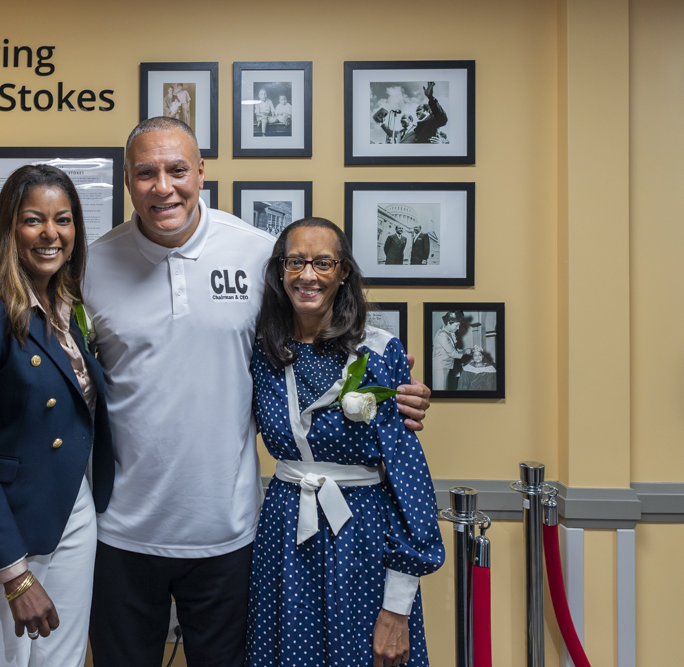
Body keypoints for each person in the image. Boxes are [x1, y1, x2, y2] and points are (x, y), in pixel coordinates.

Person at [84, 117, 431, 667]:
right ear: (127, 180)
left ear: (202, 172)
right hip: (122, 530)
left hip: (233, 534)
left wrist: (392, 385)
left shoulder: (257, 254)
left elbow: (328, 334)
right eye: (146, 173)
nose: (163, 186)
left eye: (177, 170)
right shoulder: (92, 265)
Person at [0, 164, 114, 667]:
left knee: (62, 661)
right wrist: (15, 575)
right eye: (34, 220)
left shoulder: (64, 306)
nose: (50, 233)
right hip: (2, 533)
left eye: (63, 220)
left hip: (73, 512)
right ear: (9, 228)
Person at [246, 217, 444, 667]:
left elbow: (408, 484)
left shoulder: (379, 352)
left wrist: (397, 605)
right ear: (281, 270)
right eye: (295, 262)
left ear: (344, 272)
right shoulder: (263, 351)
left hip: (363, 538)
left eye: (323, 263)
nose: (307, 275)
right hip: (284, 535)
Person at [432, 311, 471, 391]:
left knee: (445, 389)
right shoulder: (442, 335)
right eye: (456, 325)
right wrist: (466, 351)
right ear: (449, 323)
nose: (458, 328)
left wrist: (465, 350)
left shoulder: (448, 333)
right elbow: (454, 354)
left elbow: (453, 349)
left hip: (446, 365)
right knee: (440, 390)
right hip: (441, 367)